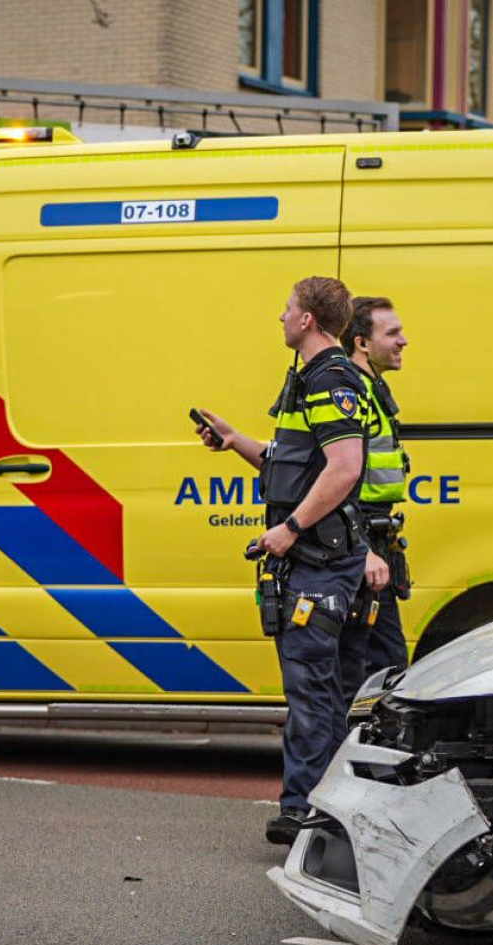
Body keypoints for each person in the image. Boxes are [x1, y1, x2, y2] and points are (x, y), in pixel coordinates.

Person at [194, 277, 382, 845]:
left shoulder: (329, 377)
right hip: (314, 556)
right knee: (314, 689)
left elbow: (345, 467)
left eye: (287, 309)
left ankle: (308, 810)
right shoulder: (309, 378)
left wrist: (290, 527)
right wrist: (235, 441)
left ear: (306, 321)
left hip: (320, 557)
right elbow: (292, 462)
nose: (280, 317)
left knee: (312, 689)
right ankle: (317, 808)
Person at [337, 296, 412, 697]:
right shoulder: (352, 393)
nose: (404, 341)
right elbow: (335, 477)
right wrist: (361, 549)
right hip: (359, 541)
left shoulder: (370, 389)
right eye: (393, 333)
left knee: (384, 666)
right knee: (371, 670)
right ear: (362, 343)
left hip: (371, 540)